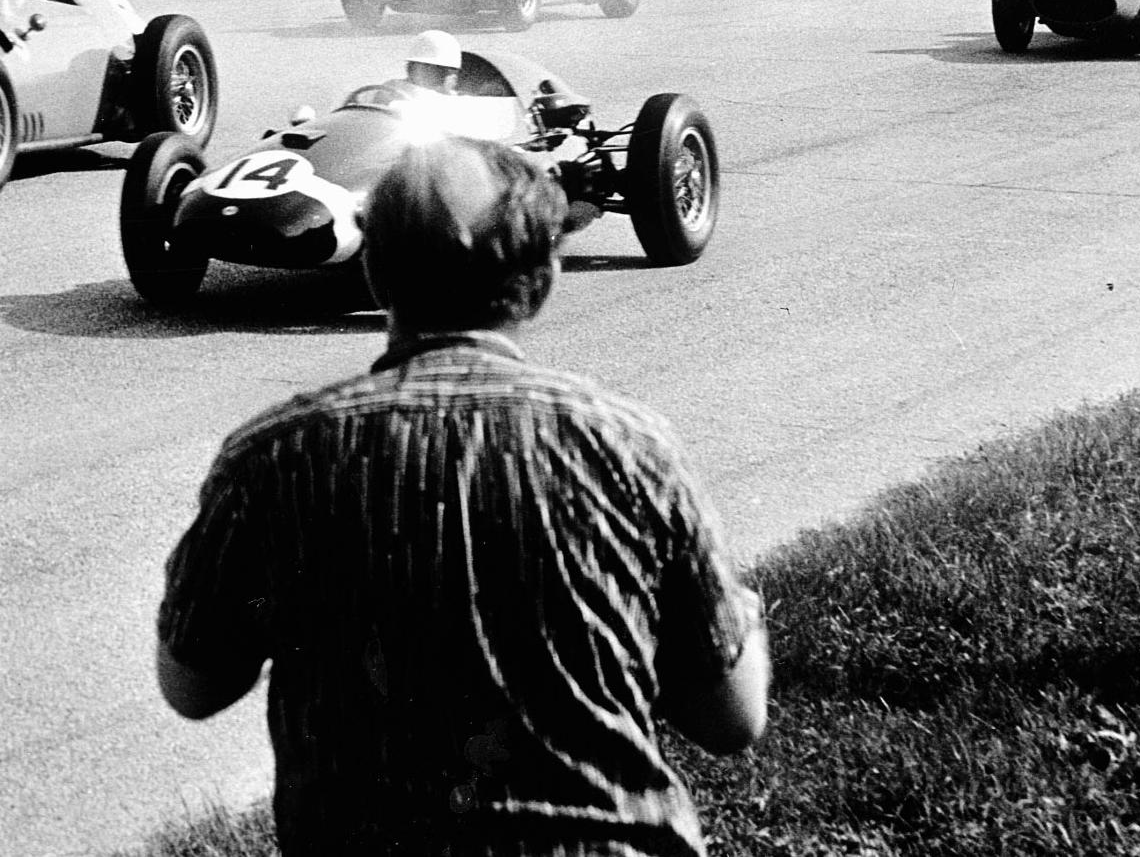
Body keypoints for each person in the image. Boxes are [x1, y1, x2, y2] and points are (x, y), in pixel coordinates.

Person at [156, 133, 769, 855]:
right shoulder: (633, 448)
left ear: (377, 273)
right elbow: (732, 719)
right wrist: (739, 616)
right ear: (541, 281)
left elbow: (193, 686)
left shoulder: (274, 457)